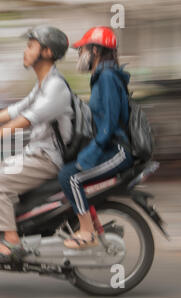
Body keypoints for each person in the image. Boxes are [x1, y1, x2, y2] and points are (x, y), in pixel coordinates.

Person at [0, 25, 73, 263]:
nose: (25, 51)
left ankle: (11, 243)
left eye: (30, 46)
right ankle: (11, 227)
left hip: (48, 158)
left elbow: (27, 118)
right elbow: (17, 109)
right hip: (36, 152)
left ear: (47, 52)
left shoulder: (55, 87)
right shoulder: (43, 84)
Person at [58, 26, 134, 249]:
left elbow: (108, 125)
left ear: (96, 51)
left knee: (70, 176)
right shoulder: (102, 77)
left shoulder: (108, 77)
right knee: (66, 170)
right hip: (108, 147)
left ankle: (87, 231)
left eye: (82, 50)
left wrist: (88, 156)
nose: (80, 55)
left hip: (118, 151)